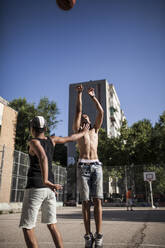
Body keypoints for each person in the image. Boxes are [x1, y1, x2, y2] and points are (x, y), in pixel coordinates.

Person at [19, 115, 88, 248]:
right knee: (52, 225)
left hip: (36, 187)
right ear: (45, 128)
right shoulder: (53, 139)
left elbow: (43, 157)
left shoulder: (33, 142)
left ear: (31, 128)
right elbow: (70, 138)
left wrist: (45, 180)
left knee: (27, 227)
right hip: (50, 189)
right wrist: (83, 133)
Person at [73, 85, 104, 248]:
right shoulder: (78, 131)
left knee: (97, 200)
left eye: (87, 117)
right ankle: (87, 235)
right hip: (83, 166)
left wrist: (92, 97)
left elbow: (101, 112)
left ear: (90, 121)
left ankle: (98, 236)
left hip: (96, 166)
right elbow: (78, 111)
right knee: (85, 202)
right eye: (82, 117)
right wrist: (79, 94)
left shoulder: (95, 130)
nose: (85, 117)